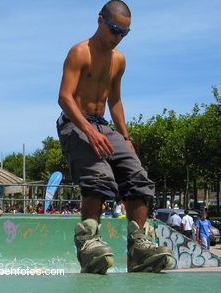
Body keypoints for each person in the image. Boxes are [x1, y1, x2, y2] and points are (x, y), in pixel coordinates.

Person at [56, 0, 173, 274]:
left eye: (124, 33)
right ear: (99, 21)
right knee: (99, 176)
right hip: (75, 122)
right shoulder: (79, 52)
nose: (117, 38)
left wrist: (126, 137)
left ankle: (139, 248)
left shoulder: (118, 60)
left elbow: (116, 101)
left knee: (137, 176)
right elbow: (64, 97)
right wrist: (88, 131)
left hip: (104, 125)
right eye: (114, 30)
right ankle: (88, 244)